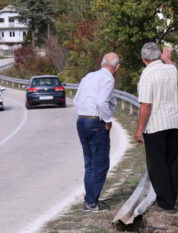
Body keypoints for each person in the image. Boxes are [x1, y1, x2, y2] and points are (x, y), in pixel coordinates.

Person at [135, 42, 178, 211]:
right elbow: (172, 65)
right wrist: (167, 58)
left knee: (157, 164)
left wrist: (139, 129)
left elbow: (146, 105)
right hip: (173, 122)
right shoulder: (171, 70)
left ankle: (165, 202)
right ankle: (172, 199)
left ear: (143, 58)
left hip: (155, 125)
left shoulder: (147, 74)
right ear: (158, 56)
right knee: (171, 162)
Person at [74, 52, 120, 212]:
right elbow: (101, 102)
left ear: (102, 63)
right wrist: (107, 121)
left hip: (82, 120)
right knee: (100, 164)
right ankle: (91, 202)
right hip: (95, 121)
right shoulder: (108, 78)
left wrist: (84, 115)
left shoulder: (88, 76)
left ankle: (90, 198)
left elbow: (76, 99)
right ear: (117, 67)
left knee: (89, 163)